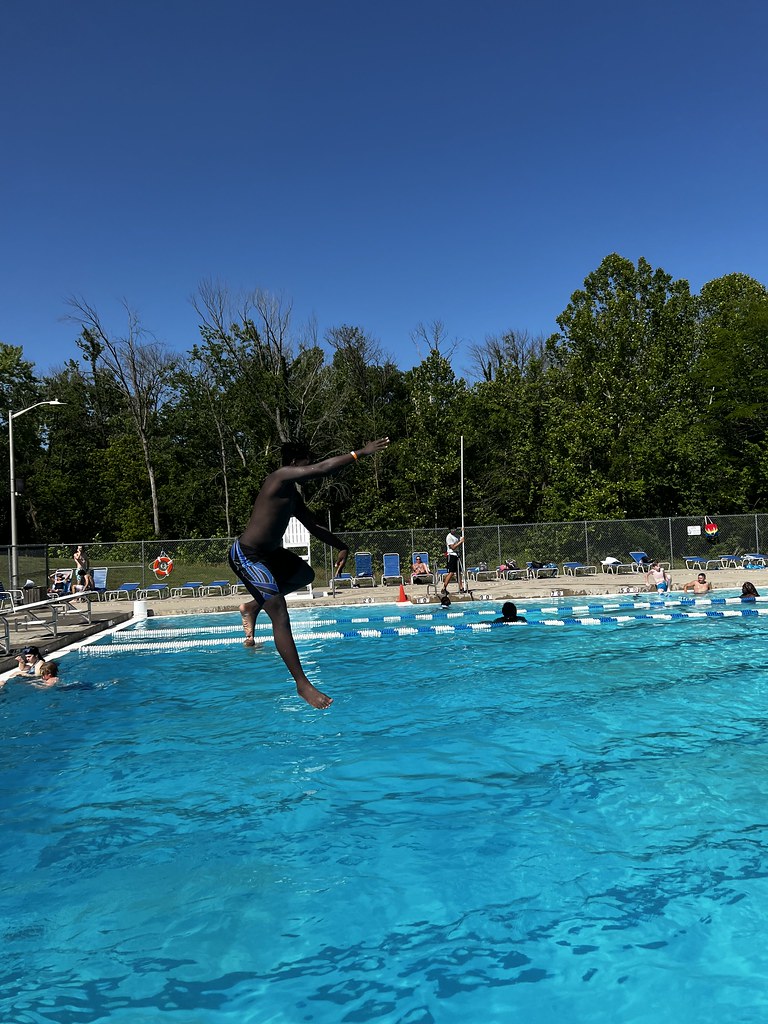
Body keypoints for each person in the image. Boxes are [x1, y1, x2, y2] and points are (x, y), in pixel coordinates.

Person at [230, 437, 390, 709]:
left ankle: (253, 606)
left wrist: (342, 546)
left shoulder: (292, 496)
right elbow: (323, 468)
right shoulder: (279, 478)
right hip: (248, 554)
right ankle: (302, 685)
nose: (309, 467)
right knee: (279, 612)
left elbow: (314, 527)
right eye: (306, 462)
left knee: (304, 575)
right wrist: (360, 453)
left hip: (270, 555)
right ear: (295, 463)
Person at [442, 527, 465, 595]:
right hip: (451, 555)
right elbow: (453, 547)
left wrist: (463, 531)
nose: (453, 530)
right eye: (452, 529)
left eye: (454, 529)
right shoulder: (449, 537)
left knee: (459, 572)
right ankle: (444, 588)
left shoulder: (456, 535)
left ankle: (461, 587)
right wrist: (460, 542)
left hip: (457, 555)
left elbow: (462, 538)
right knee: (451, 572)